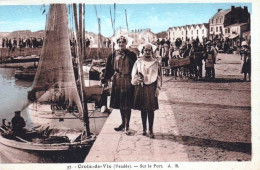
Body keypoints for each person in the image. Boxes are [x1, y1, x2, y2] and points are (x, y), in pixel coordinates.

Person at [101, 35, 137, 134]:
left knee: (127, 104)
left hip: (128, 80)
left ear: (126, 43)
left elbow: (136, 68)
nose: (121, 44)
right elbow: (109, 69)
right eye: (119, 42)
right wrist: (105, 79)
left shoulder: (131, 55)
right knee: (121, 104)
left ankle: (127, 125)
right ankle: (122, 123)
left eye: (123, 42)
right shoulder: (113, 55)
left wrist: (137, 79)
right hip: (117, 80)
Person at [131, 44, 162, 139]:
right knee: (143, 108)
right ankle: (144, 128)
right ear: (142, 51)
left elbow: (159, 77)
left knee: (151, 109)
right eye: (146, 50)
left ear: (152, 51)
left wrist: (158, 88)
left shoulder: (155, 62)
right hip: (141, 87)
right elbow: (134, 74)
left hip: (151, 87)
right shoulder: (138, 62)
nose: (147, 52)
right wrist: (137, 79)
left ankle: (150, 129)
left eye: (149, 50)